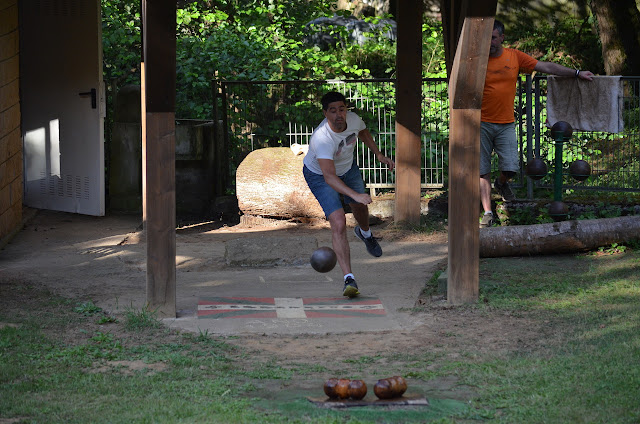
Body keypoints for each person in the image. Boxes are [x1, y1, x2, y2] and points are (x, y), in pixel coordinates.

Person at [479, 19, 594, 227]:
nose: (490, 43)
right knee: (482, 169)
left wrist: (576, 73)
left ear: (502, 38)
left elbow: (546, 66)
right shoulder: (477, 60)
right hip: (480, 123)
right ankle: (488, 213)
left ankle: (501, 183)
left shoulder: (513, 56)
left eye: (493, 38)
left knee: (511, 167)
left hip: (505, 123)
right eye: (486, 38)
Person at [303, 91, 395, 298]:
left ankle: (365, 233)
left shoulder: (353, 119)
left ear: (346, 110)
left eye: (342, 109)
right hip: (320, 175)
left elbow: (362, 132)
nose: (338, 115)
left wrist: (378, 154)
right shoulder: (322, 139)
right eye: (333, 111)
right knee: (338, 222)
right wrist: (355, 194)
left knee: (361, 208)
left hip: (348, 168)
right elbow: (329, 177)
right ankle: (349, 279)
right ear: (325, 113)